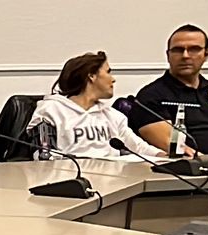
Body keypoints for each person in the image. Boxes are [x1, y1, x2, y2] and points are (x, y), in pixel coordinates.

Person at [27, 52, 168, 163]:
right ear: (92, 76)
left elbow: (138, 147)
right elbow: (44, 156)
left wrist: (164, 156)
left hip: (114, 181)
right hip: (71, 181)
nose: (113, 79)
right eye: (108, 72)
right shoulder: (51, 110)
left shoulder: (113, 116)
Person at [127, 25, 208, 155]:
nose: (185, 56)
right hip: (193, 166)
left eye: (194, 49)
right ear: (168, 55)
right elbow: (175, 147)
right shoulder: (151, 96)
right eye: (178, 50)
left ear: (206, 54)